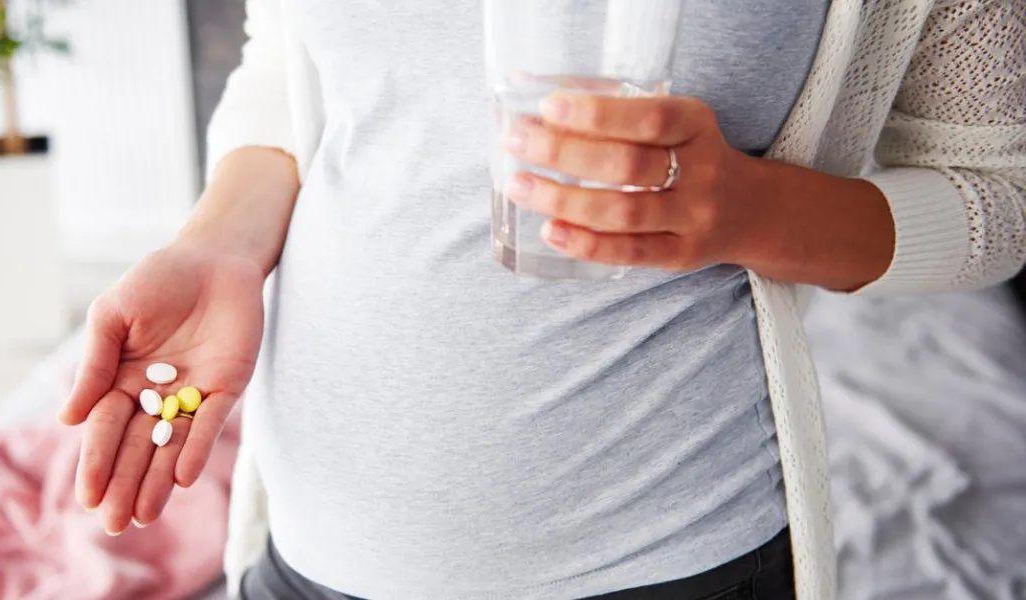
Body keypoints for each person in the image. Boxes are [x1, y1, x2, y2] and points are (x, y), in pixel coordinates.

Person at [56, 0, 1026, 598]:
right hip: (315, 551)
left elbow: (998, 194)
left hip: (666, 560)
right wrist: (218, 245)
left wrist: (753, 210)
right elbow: (291, 55)